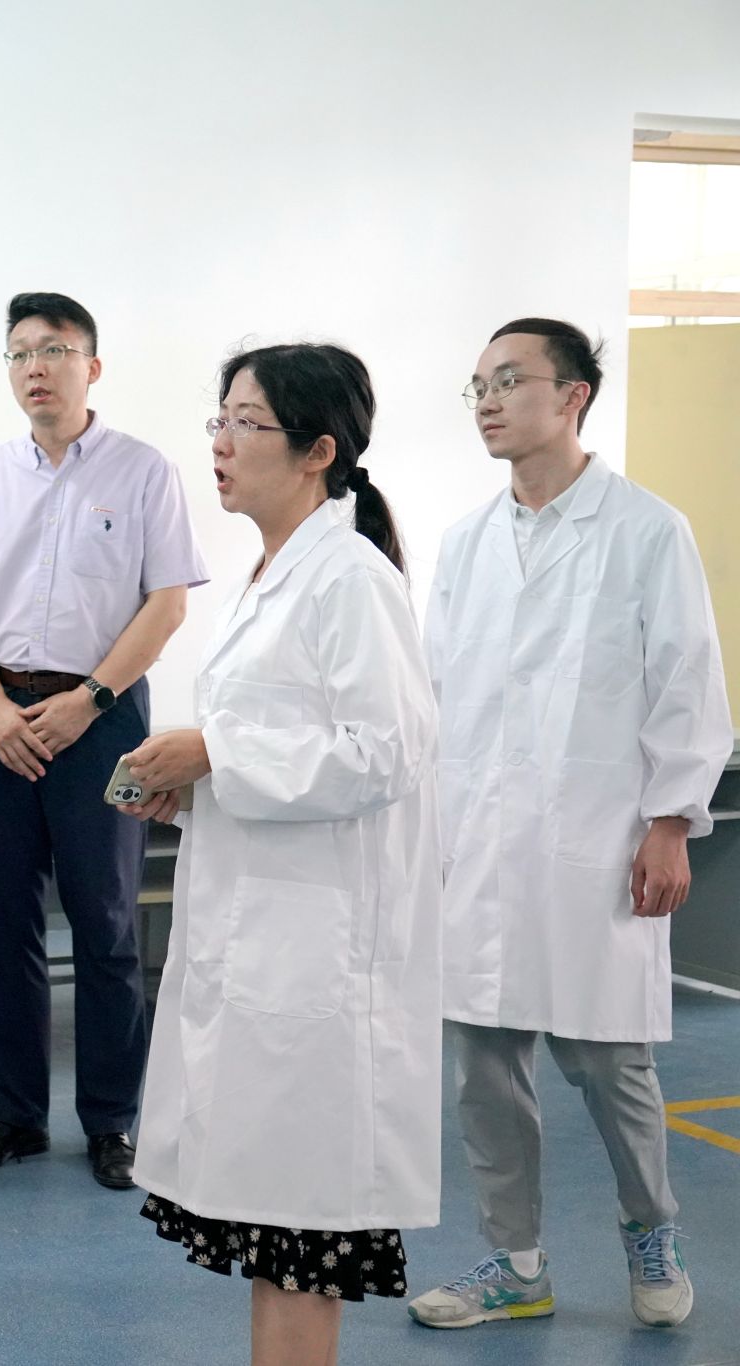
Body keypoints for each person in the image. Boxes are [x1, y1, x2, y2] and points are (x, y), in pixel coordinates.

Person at [123, 342, 442, 1366]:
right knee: (274, 1239)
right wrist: (195, 782)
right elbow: (286, 746)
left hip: (319, 968)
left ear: (317, 451)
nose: (219, 443)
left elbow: (385, 751)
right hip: (262, 938)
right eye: (217, 420)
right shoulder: (269, 576)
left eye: (244, 423)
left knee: (302, 1243)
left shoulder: (348, 579)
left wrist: (217, 752)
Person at [407, 319, 730, 1332]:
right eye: (476, 386)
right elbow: (433, 695)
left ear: (573, 394)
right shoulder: (465, 543)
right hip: (478, 843)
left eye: (509, 380)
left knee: (608, 1063)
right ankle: (515, 1262)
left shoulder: (645, 530)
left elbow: (686, 681)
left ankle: (651, 1231)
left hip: (596, 840)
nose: (488, 402)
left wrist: (669, 821)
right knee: (484, 1068)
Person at [0, 292, 207, 1187]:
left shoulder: (143, 470)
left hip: (103, 725)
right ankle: (14, 1114)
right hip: (1, 721)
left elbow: (167, 603)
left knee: (107, 923)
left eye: (52, 350)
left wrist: (89, 700)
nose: (35, 368)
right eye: (19, 354)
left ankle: (112, 1123)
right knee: (0, 922)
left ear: (93, 366)